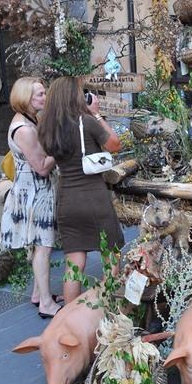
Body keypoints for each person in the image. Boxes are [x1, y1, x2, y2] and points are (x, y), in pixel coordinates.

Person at [38, 77, 124, 303]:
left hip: (67, 201)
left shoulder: (47, 128)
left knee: (73, 266)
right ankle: (108, 310)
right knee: (111, 257)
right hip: (94, 199)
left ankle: (69, 318)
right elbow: (115, 144)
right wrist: (95, 113)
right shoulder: (87, 121)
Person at [0, 77, 61, 319]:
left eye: (44, 93)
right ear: (25, 98)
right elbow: (42, 167)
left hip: (36, 191)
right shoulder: (24, 129)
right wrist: (59, 147)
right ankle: (46, 303)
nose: (44, 98)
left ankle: (38, 295)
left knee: (40, 245)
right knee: (44, 248)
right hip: (35, 194)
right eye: (39, 95)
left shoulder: (29, 120)